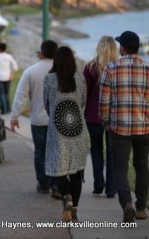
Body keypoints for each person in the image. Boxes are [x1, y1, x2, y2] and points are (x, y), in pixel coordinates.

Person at [100, 31, 149, 222]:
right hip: (144, 127)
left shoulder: (111, 68)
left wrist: (106, 121)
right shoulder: (147, 69)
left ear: (123, 48)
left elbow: (104, 101)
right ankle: (141, 208)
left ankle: (126, 203)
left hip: (119, 128)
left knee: (119, 167)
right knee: (142, 165)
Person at [43, 46, 90, 223]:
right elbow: (83, 102)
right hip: (78, 130)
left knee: (59, 167)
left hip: (58, 131)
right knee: (77, 171)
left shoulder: (49, 79)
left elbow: (46, 103)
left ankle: (67, 197)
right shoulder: (80, 78)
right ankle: (75, 211)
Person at [10, 40, 61, 198]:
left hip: (38, 120)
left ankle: (43, 183)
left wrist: (14, 116)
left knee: (40, 152)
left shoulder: (31, 71)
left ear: (42, 52)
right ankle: (56, 185)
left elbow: (21, 95)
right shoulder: (63, 70)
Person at [83, 36, 118, 198]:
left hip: (93, 116)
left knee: (96, 150)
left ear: (99, 47)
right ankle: (111, 188)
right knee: (112, 151)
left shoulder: (90, 67)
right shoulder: (118, 67)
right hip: (114, 116)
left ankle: (98, 184)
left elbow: (85, 93)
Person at [0, 42, 18, 114]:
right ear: (5, 48)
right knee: (7, 94)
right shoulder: (9, 56)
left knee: (1, 94)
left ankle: (4, 110)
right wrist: (12, 74)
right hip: (8, 77)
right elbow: (15, 67)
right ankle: (8, 109)